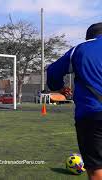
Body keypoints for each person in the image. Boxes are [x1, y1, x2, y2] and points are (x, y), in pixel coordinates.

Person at [47, 23, 102, 180]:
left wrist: (59, 88)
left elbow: (52, 72)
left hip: (92, 114)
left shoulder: (81, 49)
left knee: (96, 169)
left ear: (89, 37)